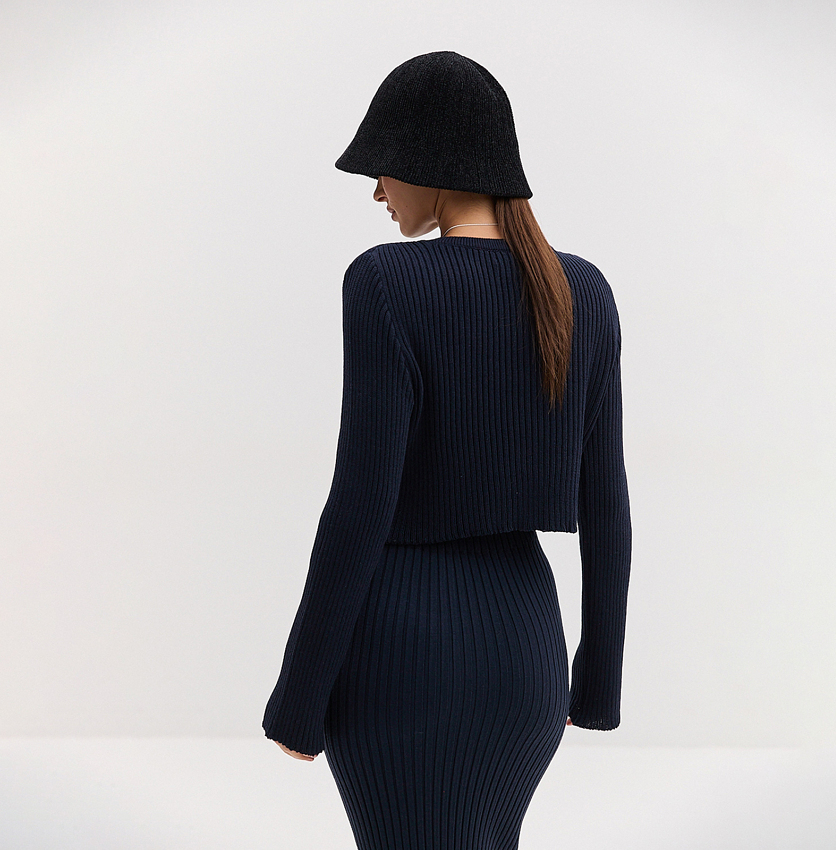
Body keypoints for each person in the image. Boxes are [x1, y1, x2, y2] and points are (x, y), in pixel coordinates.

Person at [263, 50, 631, 849]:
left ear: (433, 165)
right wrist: (597, 680)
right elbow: (608, 507)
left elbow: (360, 506)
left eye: (384, 167)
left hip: (405, 656)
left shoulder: (386, 283)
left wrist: (299, 700)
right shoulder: (583, 292)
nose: (377, 191)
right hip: (526, 659)